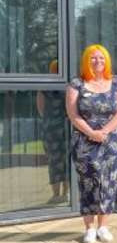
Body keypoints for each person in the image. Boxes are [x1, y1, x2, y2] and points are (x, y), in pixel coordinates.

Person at [65, 45, 117, 243]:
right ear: (86, 60)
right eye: (93, 58)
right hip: (85, 142)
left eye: (101, 58)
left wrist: (104, 131)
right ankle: (89, 229)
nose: (98, 61)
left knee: (109, 182)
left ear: (107, 61)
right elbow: (73, 114)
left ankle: (103, 226)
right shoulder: (76, 84)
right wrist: (91, 133)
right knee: (88, 183)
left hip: (112, 142)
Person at [36, 59, 69, 204]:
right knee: (67, 160)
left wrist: (50, 120)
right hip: (67, 126)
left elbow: (41, 109)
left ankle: (56, 195)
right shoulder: (70, 86)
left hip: (51, 128)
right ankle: (66, 194)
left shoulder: (44, 87)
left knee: (54, 160)